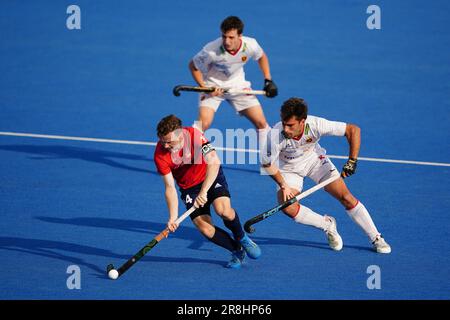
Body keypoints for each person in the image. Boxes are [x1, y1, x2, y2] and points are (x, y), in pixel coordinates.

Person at [260, 98, 391, 253]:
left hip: (315, 161)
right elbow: (267, 164)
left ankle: (376, 238)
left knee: (346, 198)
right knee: (288, 207)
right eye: (284, 123)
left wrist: (352, 161)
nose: (286, 129)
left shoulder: (315, 124)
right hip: (289, 170)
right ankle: (327, 225)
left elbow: (353, 130)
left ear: (303, 121)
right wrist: (284, 185)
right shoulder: (275, 135)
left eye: (290, 125)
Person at [154, 114, 262, 268]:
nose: (165, 146)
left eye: (169, 142)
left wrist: (204, 191)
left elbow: (214, 161)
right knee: (204, 228)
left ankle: (241, 237)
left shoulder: (195, 135)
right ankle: (236, 250)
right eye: (162, 141)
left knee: (223, 211)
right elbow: (170, 187)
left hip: (210, 176)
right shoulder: (160, 155)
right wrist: (173, 217)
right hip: (189, 188)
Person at [188, 15, 277, 148]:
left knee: (261, 123)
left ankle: (267, 163)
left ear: (240, 35)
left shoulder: (250, 45)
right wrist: (204, 87)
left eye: (231, 37)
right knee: (202, 124)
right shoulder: (211, 50)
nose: (227, 41)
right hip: (212, 86)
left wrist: (268, 79)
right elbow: (193, 66)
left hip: (237, 86)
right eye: (224, 36)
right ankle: (190, 158)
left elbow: (261, 57)